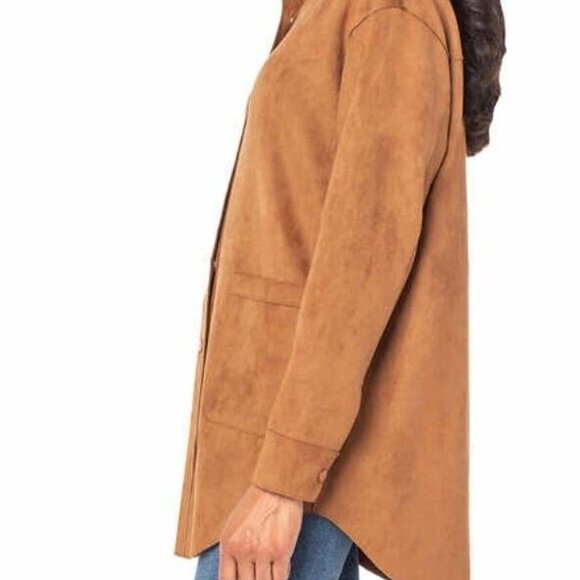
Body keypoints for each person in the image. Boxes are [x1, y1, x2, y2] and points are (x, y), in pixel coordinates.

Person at [175, 0, 506, 578]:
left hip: (303, 458)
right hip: (284, 440)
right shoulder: (330, 12)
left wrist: (281, 481)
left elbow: (362, 271)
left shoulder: (389, 16)